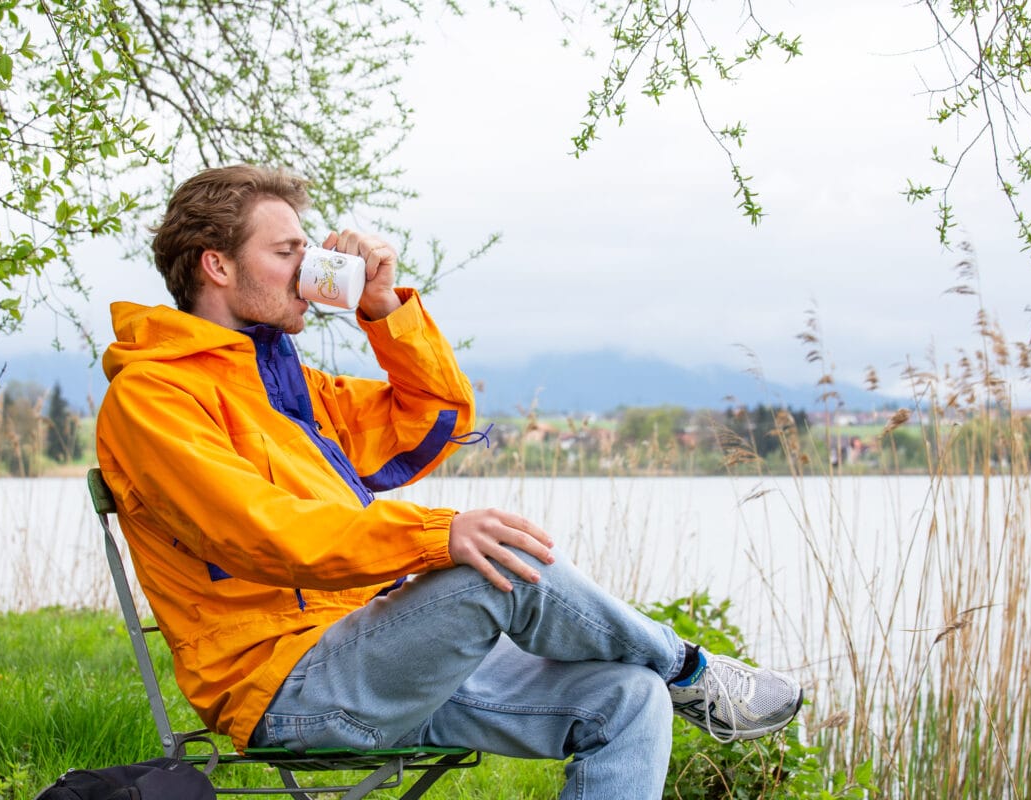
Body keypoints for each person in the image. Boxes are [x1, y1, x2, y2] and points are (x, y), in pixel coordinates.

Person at [95, 164, 803, 798]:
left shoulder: (286, 389)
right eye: (286, 253)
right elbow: (264, 531)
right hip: (290, 687)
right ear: (216, 266)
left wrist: (383, 310)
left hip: (378, 656)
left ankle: (670, 679)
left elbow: (433, 419)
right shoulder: (153, 399)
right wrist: (442, 536)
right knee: (497, 559)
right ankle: (691, 670)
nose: (306, 266)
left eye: (305, 251)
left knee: (628, 696)